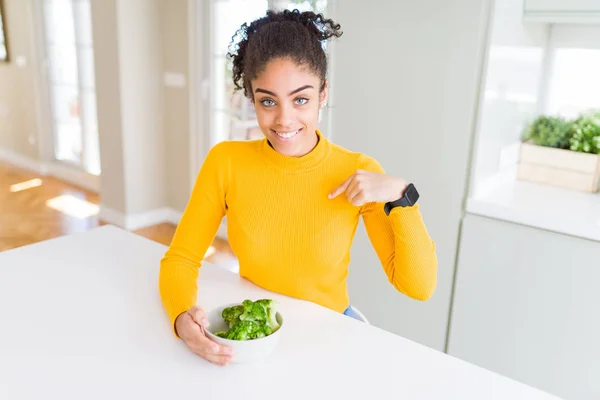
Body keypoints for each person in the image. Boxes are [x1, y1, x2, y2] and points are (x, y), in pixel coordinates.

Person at [158, 9, 437, 366]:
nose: (284, 119)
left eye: (300, 99)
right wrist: (182, 319)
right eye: (268, 101)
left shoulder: (358, 172)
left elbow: (418, 286)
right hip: (259, 333)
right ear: (253, 99)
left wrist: (402, 195)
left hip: (329, 337)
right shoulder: (226, 161)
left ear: (323, 94)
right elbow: (181, 258)